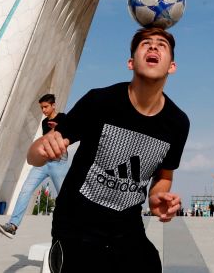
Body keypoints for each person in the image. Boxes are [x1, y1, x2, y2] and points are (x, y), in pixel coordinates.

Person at [30, 27, 189, 272]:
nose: (154, 47)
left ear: (172, 66)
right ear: (130, 62)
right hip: (76, 228)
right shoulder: (99, 101)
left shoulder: (177, 123)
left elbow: (164, 175)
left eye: (162, 45)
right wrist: (42, 148)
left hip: (127, 229)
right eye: (146, 43)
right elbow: (34, 156)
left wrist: (157, 197)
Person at [0, 93, 69, 238]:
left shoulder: (63, 118)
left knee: (66, 196)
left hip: (58, 162)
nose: (44, 110)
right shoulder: (44, 123)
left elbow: (67, 136)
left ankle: (77, 229)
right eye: (42, 108)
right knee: (25, 190)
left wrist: (58, 127)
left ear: (53, 105)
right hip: (43, 163)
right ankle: (12, 225)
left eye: (46, 107)